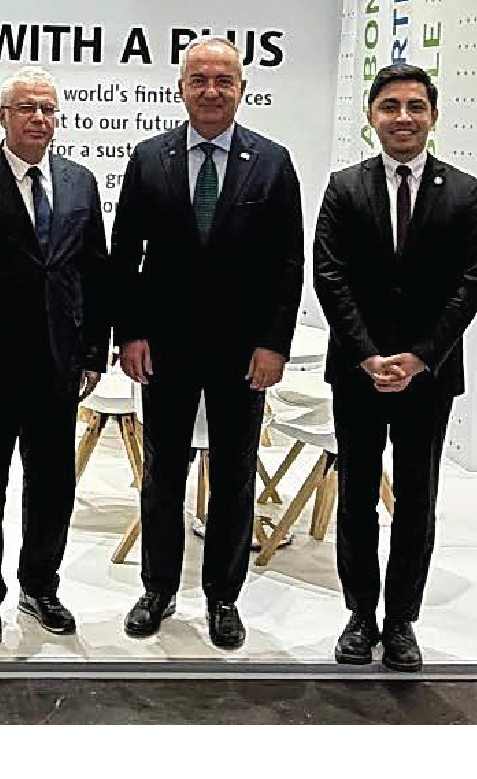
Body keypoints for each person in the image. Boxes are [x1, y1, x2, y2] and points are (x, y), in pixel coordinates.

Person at [111, 35, 303, 650]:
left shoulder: (272, 162)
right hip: (164, 348)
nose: (212, 91)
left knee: (235, 475)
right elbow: (125, 255)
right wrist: (129, 333)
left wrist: (274, 344)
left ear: (242, 89)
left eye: (224, 80)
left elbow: (287, 263)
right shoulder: (150, 158)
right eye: (200, 80)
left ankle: (224, 597)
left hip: (242, 352)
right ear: (181, 88)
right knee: (162, 473)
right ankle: (158, 589)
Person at [314, 62, 477, 672]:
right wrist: (367, 354)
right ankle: (361, 615)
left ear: (433, 116)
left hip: (428, 377)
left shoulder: (465, 193)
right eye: (390, 106)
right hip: (357, 372)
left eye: (415, 106)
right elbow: (330, 277)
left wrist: (419, 357)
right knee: (357, 496)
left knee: (417, 500)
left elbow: (471, 284)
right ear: (372, 116)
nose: (403, 117)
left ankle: (401, 622)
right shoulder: (344, 188)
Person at [0, 66, 109, 644]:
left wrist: (93, 352)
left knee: (53, 485)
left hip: (59, 366)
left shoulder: (80, 182)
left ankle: (40, 586)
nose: (39, 118)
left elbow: (94, 271)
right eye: (27, 108)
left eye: (48, 109)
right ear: (3, 117)